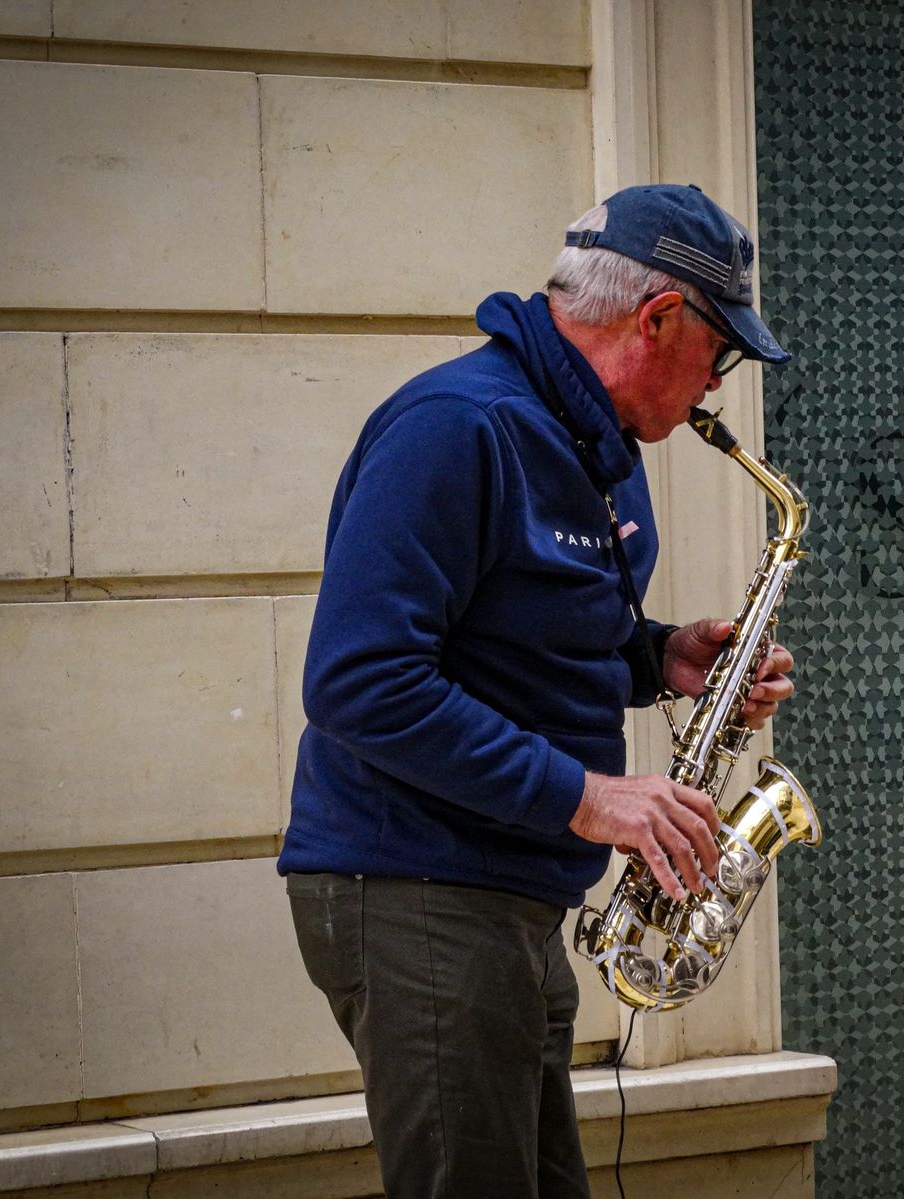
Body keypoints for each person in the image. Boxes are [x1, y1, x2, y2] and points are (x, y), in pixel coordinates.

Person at [279, 183, 796, 1198]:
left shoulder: (599, 447)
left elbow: (516, 633)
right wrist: (593, 796)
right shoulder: (454, 426)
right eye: (719, 353)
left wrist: (660, 658)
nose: (717, 387)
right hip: (416, 887)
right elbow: (358, 680)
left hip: (506, 893)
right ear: (657, 319)